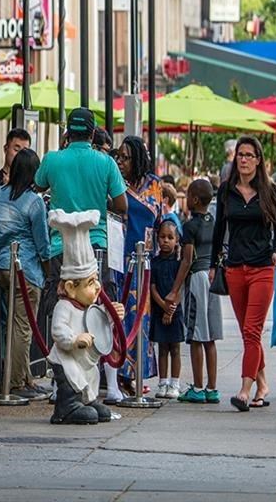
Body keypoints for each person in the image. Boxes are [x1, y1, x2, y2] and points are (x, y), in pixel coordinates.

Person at [35, 107, 127, 403]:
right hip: (95, 245)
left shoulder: (52, 160)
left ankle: (58, 382)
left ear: (67, 134)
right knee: (99, 311)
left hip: (60, 247)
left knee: (61, 308)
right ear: (92, 133)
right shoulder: (105, 162)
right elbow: (122, 205)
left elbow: (38, 185)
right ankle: (105, 384)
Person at [214, 135, 276, 413]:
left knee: (252, 331)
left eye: (249, 155)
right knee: (247, 333)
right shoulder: (225, 191)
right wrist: (212, 263)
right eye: (240, 155)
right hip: (234, 268)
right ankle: (263, 385)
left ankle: (244, 390)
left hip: (262, 269)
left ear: (258, 160)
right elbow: (220, 227)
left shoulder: (271, 191)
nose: (243, 159)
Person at [0, 148, 51, 400]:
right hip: (26, 271)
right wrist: (48, 271)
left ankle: (24, 377)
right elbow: (42, 244)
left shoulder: (0, 194)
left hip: (2, 267)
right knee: (23, 327)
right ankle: (15, 382)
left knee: (10, 323)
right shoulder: (34, 202)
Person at [115, 135, 161, 391]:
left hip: (145, 261)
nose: (120, 161)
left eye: (125, 157)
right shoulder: (115, 182)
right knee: (121, 317)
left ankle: (136, 373)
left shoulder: (154, 184)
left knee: (141, 319)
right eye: (119, 157)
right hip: (120, 260)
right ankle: (119, 373)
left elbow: (160, 220)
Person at [175, 178, 223, 404]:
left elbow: (186, 260)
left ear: (193, 199)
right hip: (212, 278)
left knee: (195, 336)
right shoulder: (213, 222)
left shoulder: (189, 226)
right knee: (210, 337)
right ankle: (212, 388)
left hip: (196, 279)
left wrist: (174, 290)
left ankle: (196, 386)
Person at [149, 219, 184, 399]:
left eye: (170, 237)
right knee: (162, 348)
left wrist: (170, 310)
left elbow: (179, 288)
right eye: (162, 237)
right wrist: (163, 307)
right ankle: (162, 383)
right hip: (159, 311)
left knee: (175, 348)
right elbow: (152, 287)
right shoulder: (154, 263)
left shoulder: (179, 263)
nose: (166, 241)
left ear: (177, 239)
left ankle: (175, 383)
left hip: (175, 312)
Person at [0, 128, 32, 197]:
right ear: (5, 149)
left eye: (24, 152)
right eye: (16, 150)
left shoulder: (29, 183)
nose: (20, 156)